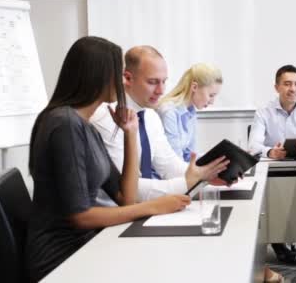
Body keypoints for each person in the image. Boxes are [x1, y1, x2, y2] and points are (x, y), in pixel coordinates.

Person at [25, 37, 192, 282]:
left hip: (86, 242)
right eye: (119, 73)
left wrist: (130, 134)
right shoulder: (65, 124)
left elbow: (126, 198)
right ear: (98, 76)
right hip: (61, 255)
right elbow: (80, 216)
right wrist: (154, 206)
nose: (124, 80)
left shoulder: (84, 125)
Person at [91, 46, 229, 204]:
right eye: (152, 82)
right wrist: (188, 182)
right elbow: (129, 189)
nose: (161, 90)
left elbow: (168, 165)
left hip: (144, 210)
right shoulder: (105, 117)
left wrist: (205, 175)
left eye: (164, 82)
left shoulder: (150, 116)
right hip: (114, 217)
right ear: (128, 79)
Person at [248, 64, 296, 270]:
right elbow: (252, 146)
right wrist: (270, 152)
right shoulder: (263, 111)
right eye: (287, 84)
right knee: (275, 199)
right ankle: (277, 239)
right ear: (277, 87)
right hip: (274, 169)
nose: (293, 89)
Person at [156, 63, 223, 162]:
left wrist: (217, 162)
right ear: (194, 87)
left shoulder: (190, 112)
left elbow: (189, 156)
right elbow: (175, 161)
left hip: (180, 172)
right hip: (164, 176)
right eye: (211, 95)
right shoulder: (169, 112)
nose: (212, 101)